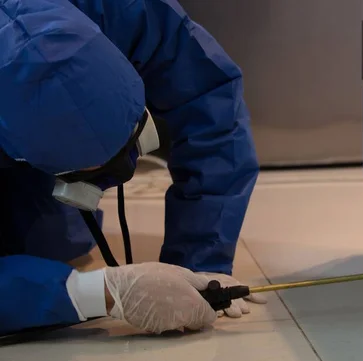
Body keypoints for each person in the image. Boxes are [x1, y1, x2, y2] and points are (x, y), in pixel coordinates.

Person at [0, 0, 266, 336]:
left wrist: (201, 258)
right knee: (36, 254)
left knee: (58, 243)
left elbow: (209, 100)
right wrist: (101, 293)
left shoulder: (120, 8)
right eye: (84, 175)